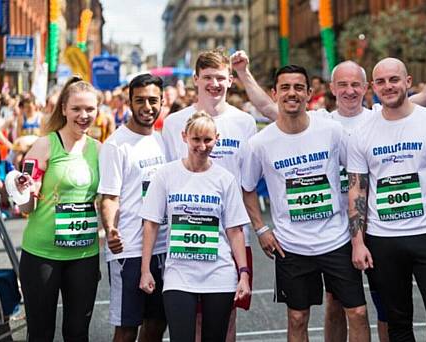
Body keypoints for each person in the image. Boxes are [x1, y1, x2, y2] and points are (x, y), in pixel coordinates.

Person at [241, 65, 370, 342]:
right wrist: (261, 229)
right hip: (292, 246)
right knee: (297, 319)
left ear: (309, 93)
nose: (292, 93)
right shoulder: (259, 144)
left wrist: (357, 230)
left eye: (299, 87)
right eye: (285, 87)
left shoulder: (332, 131)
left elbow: (358, 173)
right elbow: (247, 188)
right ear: (275, 93)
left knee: (358, 312)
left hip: (336, 240)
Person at [347, 57, 426, 342]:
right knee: (397, 323)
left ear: (408, 82)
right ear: (373, 87)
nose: (388, 86)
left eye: (394, 79)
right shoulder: (361, 133)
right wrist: (358, 242)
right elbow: (357, 190)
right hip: (383, 240)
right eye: (381, 82)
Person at [161, 49, 257, 342]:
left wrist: (260, 228)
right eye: (207, 78)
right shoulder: (174, 123)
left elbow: (248, 183)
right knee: (193, 322)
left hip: (232, 235)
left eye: (220, 78)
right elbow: (167, 179)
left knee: (226, 318)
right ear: (196, 80)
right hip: (185, 233)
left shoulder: (245, 122)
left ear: (230, 80)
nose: (214, 84)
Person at [139, 111, 251, 342]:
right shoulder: (166, 175)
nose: (202, 146)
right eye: (196, 139)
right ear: (184, 137)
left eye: (208, 140)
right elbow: (150, 223)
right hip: (179, 274)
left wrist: (244, 274)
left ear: (216, 139)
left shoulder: (224, 178)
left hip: (219, 274)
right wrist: (145, 270)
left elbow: (234, 230)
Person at [14, 76, 101, 341]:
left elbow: (108, 199)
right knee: (40, 334)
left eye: (90, 109)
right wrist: (23, 191)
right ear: (63, 109)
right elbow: (27, 204)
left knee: (77, 333)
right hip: (43, 254)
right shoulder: (45, 144)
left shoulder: (99, 149)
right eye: (76, 109)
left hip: (84, 253)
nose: (83, 115)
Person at [98, 74, 168, 342]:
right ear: (129, 102)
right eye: (140, 100)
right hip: (129, 250)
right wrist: (111, 229)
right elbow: (108, 197)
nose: (147, 107)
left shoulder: (164, 141)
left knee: (157, 324)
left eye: (153, 100)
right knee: (127, 329)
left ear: (161, 102)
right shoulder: (116, 145)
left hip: (163, 248)